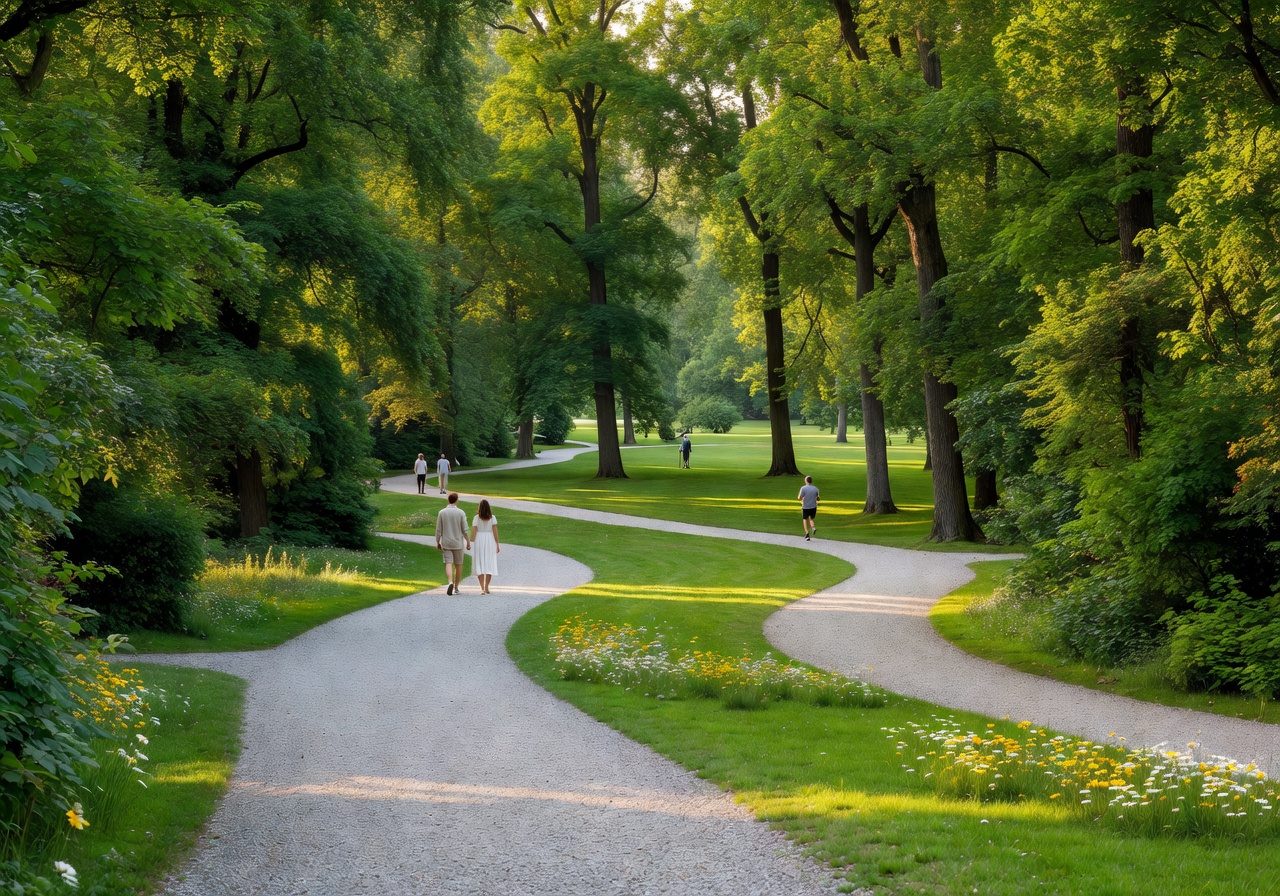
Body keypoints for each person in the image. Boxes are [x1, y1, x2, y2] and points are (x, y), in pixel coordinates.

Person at [435, 492, 470, 594]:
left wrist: (437, 541)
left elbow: (438, 529)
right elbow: (465, 529)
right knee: (458, 565)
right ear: (456, 500)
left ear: (448, 500)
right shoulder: (461, 513)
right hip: (458, 543)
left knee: (448, 563)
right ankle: (456, 587)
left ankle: (450, 581)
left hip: (446, 542)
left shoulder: (442, 512)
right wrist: (468, 541)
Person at [470, 499, 500, 595]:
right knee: (488, 563)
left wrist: (471, 542)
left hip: (479, 539)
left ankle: (482, 588)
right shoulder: (493, 518)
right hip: (489, 540)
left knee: (479, 563)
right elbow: (495, 532)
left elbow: (474, 531)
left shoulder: (476, 518)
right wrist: (497, 544)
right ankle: (486, 587)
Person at [797, 475, 820, 541]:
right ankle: (813, 528)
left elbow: (799, 498)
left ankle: (807, 534)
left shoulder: (803, 488)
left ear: (806, 481)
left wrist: (802, 499)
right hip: (813, 507)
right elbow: (818, 498)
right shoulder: (815, 488)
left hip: (806, 507)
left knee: (805, 519)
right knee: (811, 519)